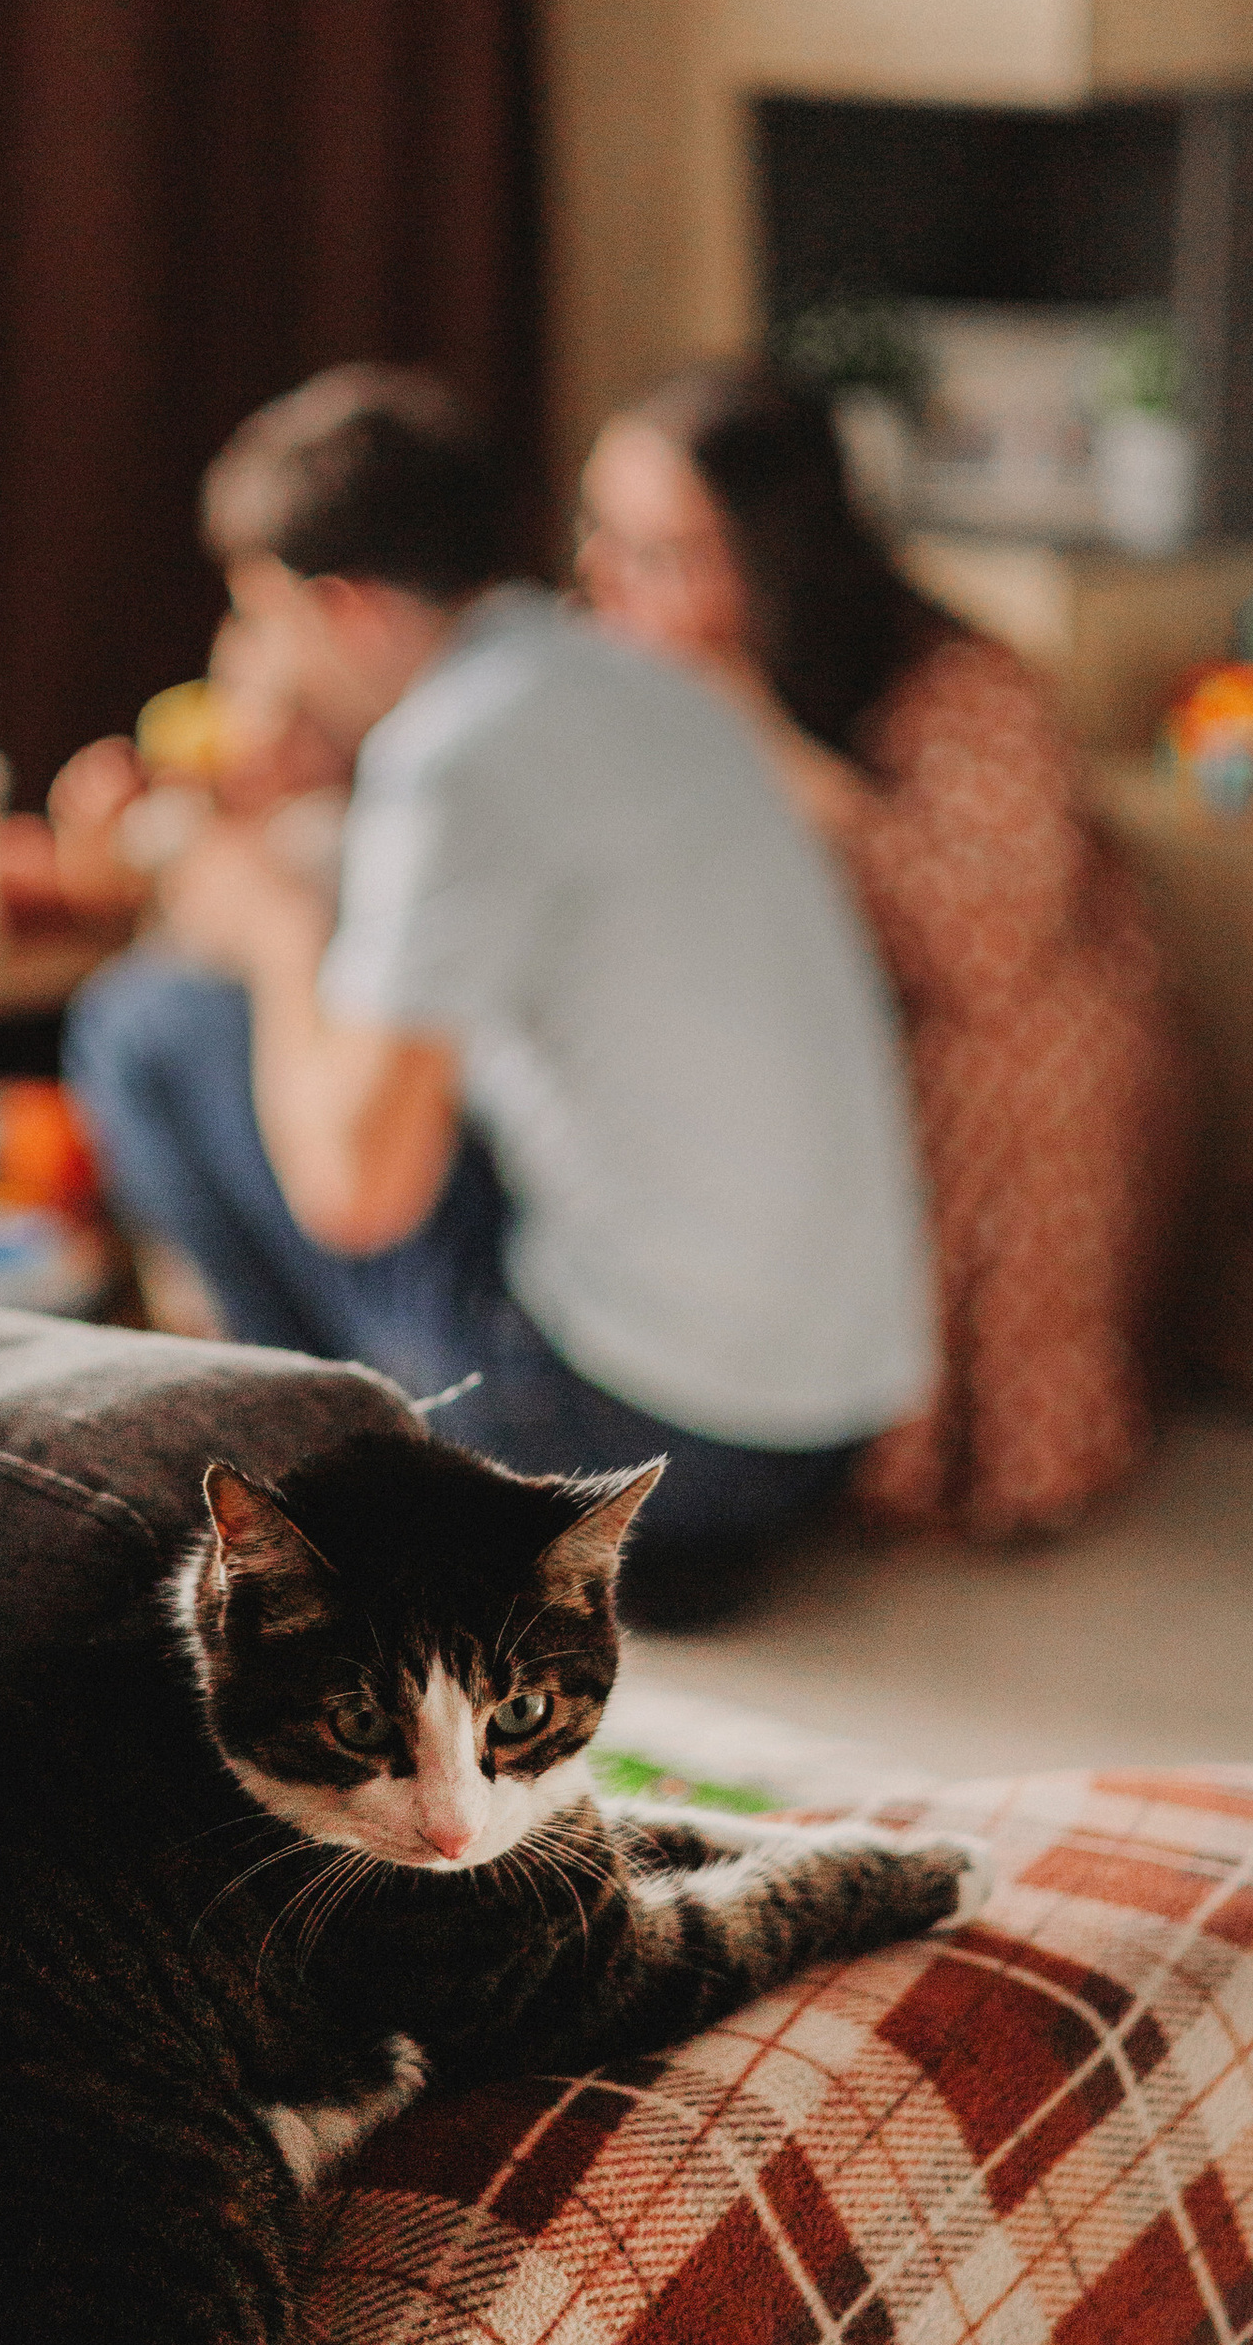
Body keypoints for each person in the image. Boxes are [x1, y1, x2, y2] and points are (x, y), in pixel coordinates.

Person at [63, 363, 932, 1608]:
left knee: (147, 1026)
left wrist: (278, 930)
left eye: (265, 619)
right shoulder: (633, 680)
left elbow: (354, 1194)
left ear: (347, 609)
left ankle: (324, 1505)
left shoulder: (453, 755)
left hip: (637, 1453)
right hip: (827, 1431)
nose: (260, 661)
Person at [576, 361, 1186, 1540]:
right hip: (757, 1001)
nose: (607, 581)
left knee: (1016, 1051)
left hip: (971, 1012)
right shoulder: (608, 658)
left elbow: (990, 944)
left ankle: (919, 1447)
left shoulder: (960, 686)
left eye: (660, 554)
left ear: (771, 561)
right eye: (599, 535)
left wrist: (762, 740)